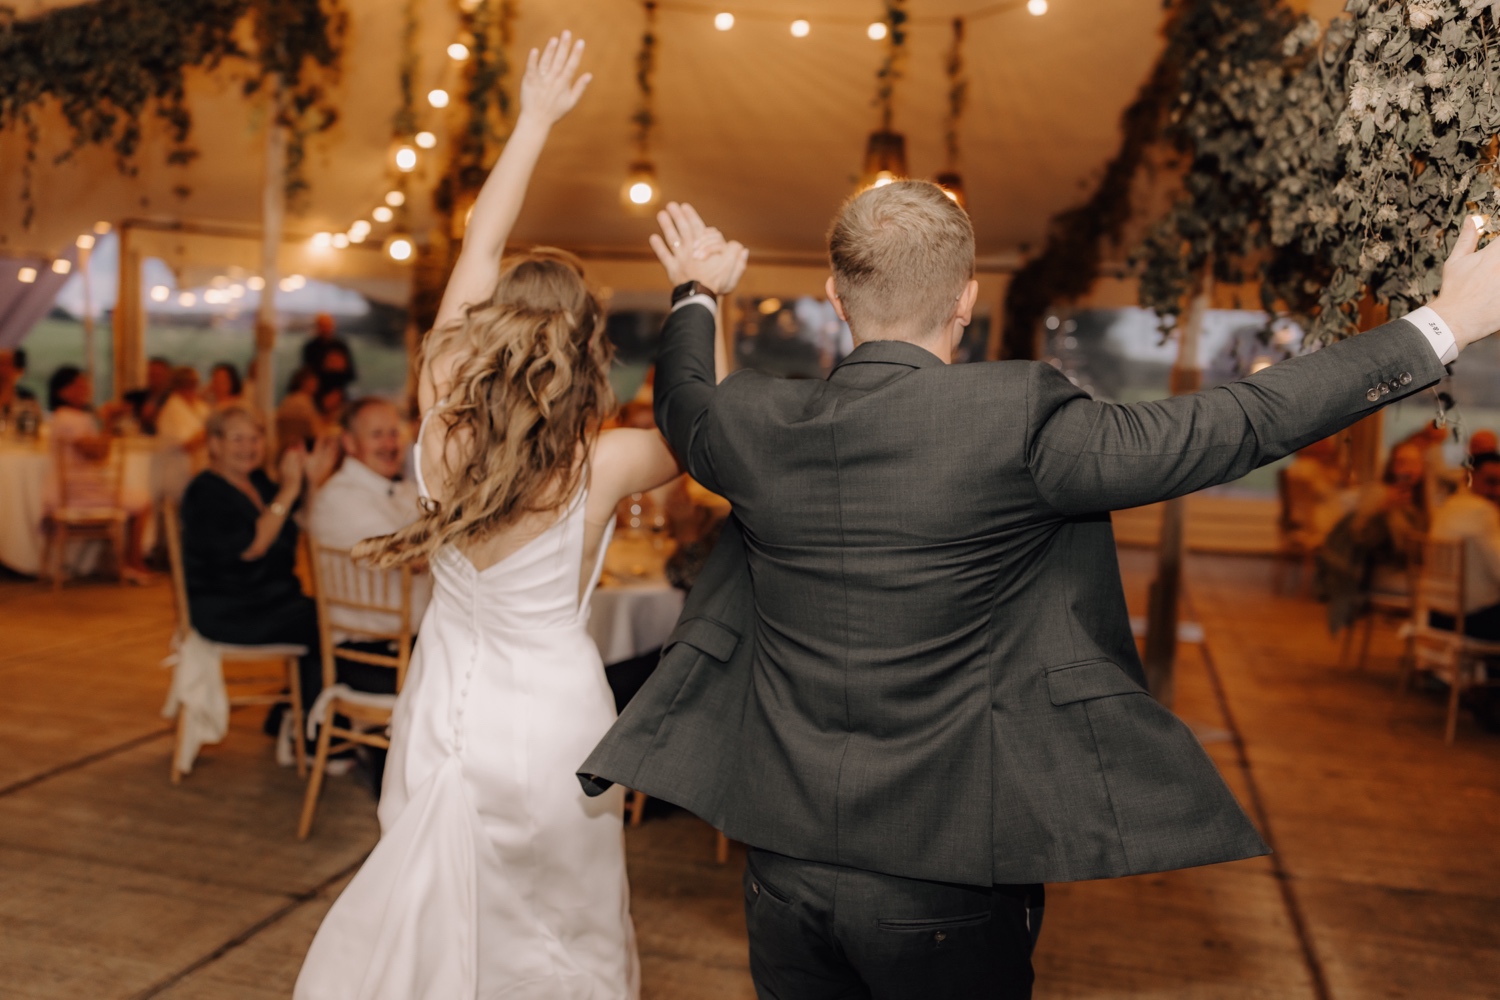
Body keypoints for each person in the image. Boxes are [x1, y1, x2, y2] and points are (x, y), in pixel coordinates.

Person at [580, 191, 1500, 998]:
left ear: (836, 299)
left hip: (780, 869)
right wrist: (1444, 322)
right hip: (944, 885)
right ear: (967, 304)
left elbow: (682, 398)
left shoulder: (751, 422)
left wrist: (697, 289)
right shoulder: (1016, 421)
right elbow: (1239, 422)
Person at [296, 34, 682, 999]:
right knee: (568, 935)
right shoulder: (607, 463)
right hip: (553, 729)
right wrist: (699, 293)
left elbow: (477, 244)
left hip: (441, 709)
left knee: (438, 910)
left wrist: (533, 121)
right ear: (586, 349)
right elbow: (696, 421)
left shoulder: (434, 416)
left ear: (489, 334)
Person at [178, 406, 338, 755]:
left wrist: (310, 483)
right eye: (237, 438)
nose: (248, 446)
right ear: (215, 445)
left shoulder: (259, 483)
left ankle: (292, 716)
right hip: (229, 608)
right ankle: (308, 735)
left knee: (332, 619)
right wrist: (289, 490)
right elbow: (252, 546)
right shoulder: (205, 493)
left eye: (255, 438)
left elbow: (303, 524)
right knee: (329, 624)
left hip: (269, 602)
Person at [308, 397, 433, 670]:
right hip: (373, 650)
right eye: (377, 435)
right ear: (350, 443)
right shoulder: (342, 497)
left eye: (393, 433)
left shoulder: (402, 489)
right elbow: (414, 558)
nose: (389, 444)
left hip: (414, 639)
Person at [46, 366, 152, 581]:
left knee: (137, 499)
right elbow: (96, 453)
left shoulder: (71, 417)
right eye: (77, 384)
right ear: (62, 392)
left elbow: (98, 454)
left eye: (84, 383)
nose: (84, 388)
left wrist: (107, 423)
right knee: (143, 503)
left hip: (77, 489)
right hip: (77, 492)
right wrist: (108, 422)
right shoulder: (68, 418)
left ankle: (120, 561)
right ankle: (133, 562)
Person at [302, 313, 357, 390]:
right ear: (317, 327)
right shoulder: (310, 347)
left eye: (328, 325)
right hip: (317, 392)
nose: (326, 329)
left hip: (339, 392)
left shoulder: (341, 346)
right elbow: (308, 374)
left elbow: (350, 373)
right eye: (322, 326)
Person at [123, 357, 173, 434]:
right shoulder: (134, 397)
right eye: (151, 374)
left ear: (167, 376)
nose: (154, 378)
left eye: (158, 375)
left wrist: (155, 416)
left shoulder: (173, 399)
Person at [276, 367, 323, 448]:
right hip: (305, 447)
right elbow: (315, 430)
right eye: (313, 381)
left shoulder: (288, 399)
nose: (316, 384)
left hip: (284, 446)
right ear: (304, 382)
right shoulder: (305, 400)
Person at [0, 347, 37, 415]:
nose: (3, 369)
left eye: (8, 364)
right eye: (1, 364)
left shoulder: (26, 396)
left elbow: (36, 420)